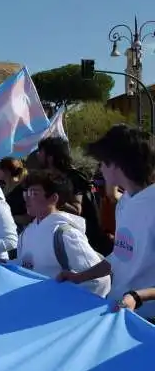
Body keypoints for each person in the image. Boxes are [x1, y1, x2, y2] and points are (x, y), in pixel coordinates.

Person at [57, 125, 155, 318]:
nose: (100, 168)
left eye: (102, 162)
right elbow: (120, 257)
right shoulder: (125, 202)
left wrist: (139, 296)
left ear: (117, 164)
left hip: (148, 321)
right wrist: (80, 277)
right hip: (120, 310)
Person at [13, 170, 109, 297]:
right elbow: (24, 264)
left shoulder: (66, 234)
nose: (27, 199)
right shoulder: (27, 232)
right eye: (26, 193)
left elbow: (99, 281)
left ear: (53, 198)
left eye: (33, 193)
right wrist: (8, 264)